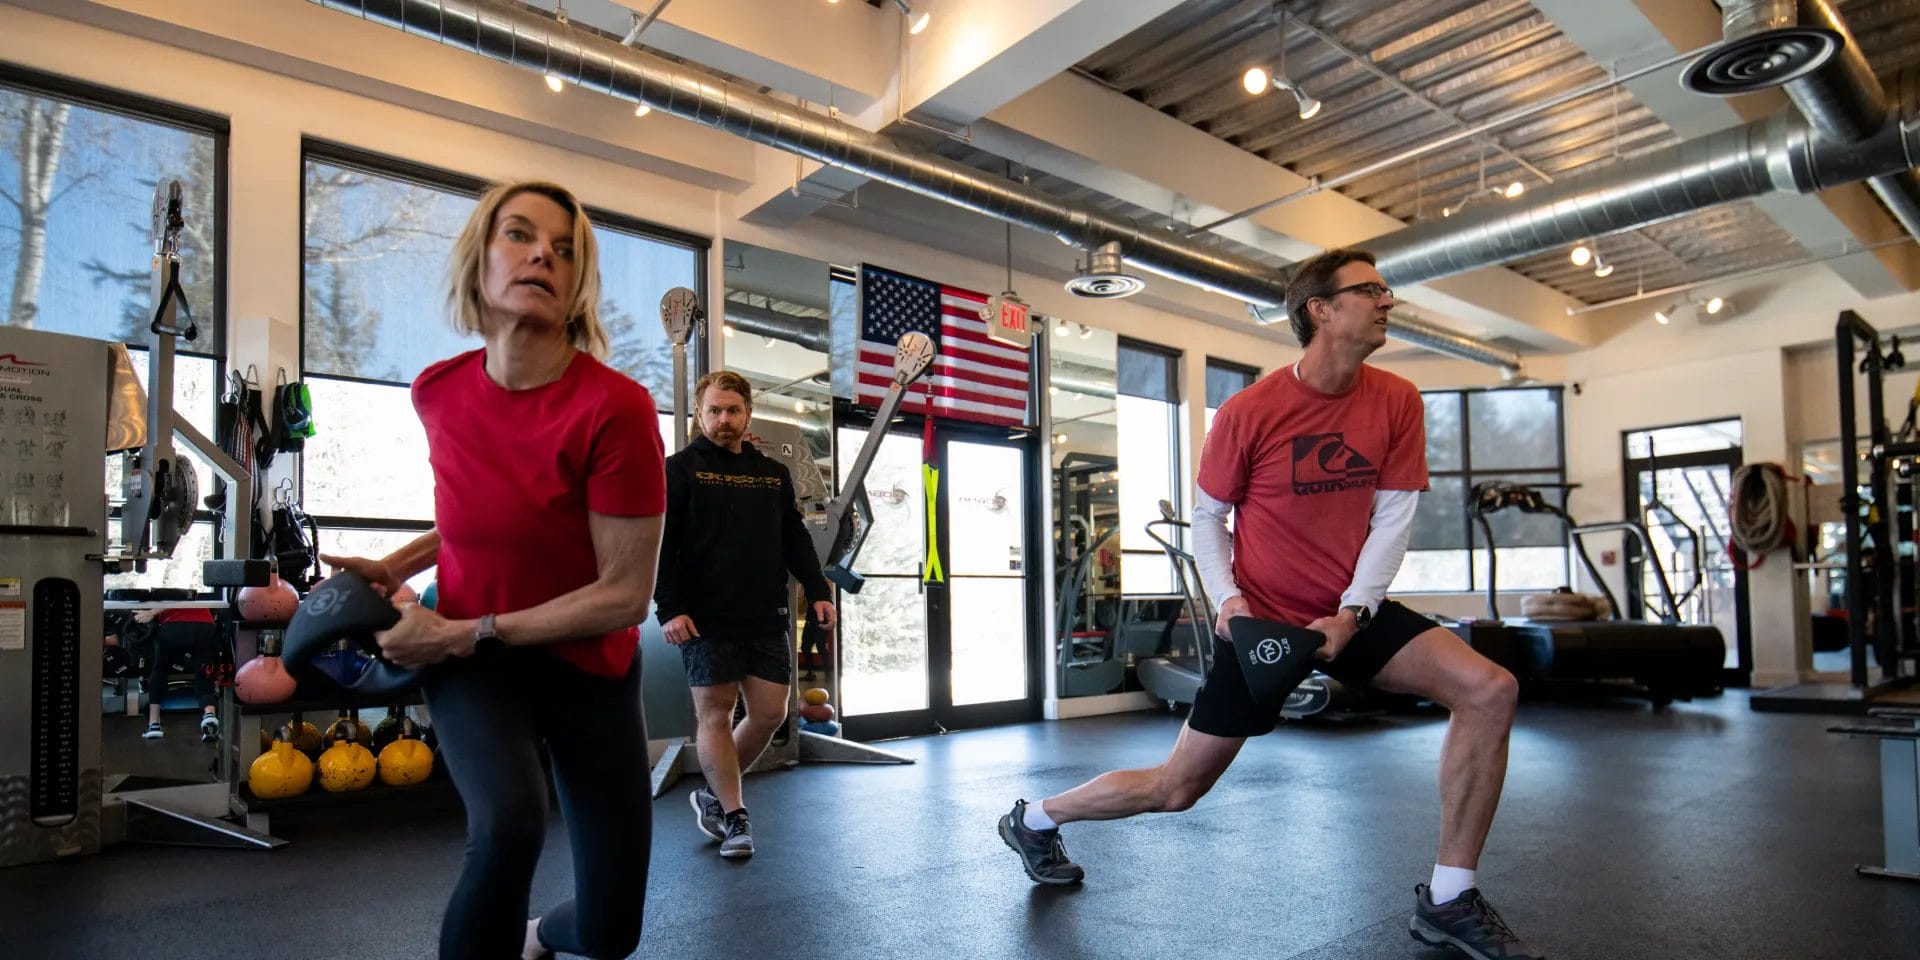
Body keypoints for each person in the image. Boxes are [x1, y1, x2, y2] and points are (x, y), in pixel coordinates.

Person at [996, 248, 1542, 960]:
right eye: (1370, 290)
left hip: (1351, 613)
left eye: (1385, 290)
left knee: (1489, 689)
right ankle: (1035, 818)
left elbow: (1393, 519)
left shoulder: (1396, 399)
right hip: (1264, 626)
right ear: (1319, 308)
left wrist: (1352, 614)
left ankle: (1448, 897)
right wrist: (1229, 603)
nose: (1387, 301)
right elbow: (1206, 520)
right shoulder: (1251, 411)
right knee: (1176, 787)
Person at [321, 180, 665, 960]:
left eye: (566, 247)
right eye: (520, 234)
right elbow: (481, 516)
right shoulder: (437, 392)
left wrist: (465, 633)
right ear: (479, 261)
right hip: (478, 666)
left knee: (612, 933)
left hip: (587, 669)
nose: (544, 251)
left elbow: (623, 595)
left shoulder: (617, 409)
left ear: (577, 284)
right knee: (509, 824)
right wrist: (398, 562)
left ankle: (539, 935)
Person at [656, 370, 836, 860]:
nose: (724, 419)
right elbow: (660, 547)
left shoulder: (772, 474)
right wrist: (669, 608)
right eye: (714, 410)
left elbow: (794, 539)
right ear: (698, 415)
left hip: (763, 612)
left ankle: (714, 794)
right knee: (715, 713)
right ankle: (736, 818)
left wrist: (818, 589)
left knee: (769, 714)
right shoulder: (679, 470)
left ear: (748, 414)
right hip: (704, 618)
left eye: (733, 410)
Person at [125, 607, 219, 742]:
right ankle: (209, 714)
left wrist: (151, 612)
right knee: (204, 672)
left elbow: (171, 601)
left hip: (174, 625)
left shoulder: (164, 589)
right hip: (204, 626)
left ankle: (154, 724)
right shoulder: (192, 589)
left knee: (159, 669)